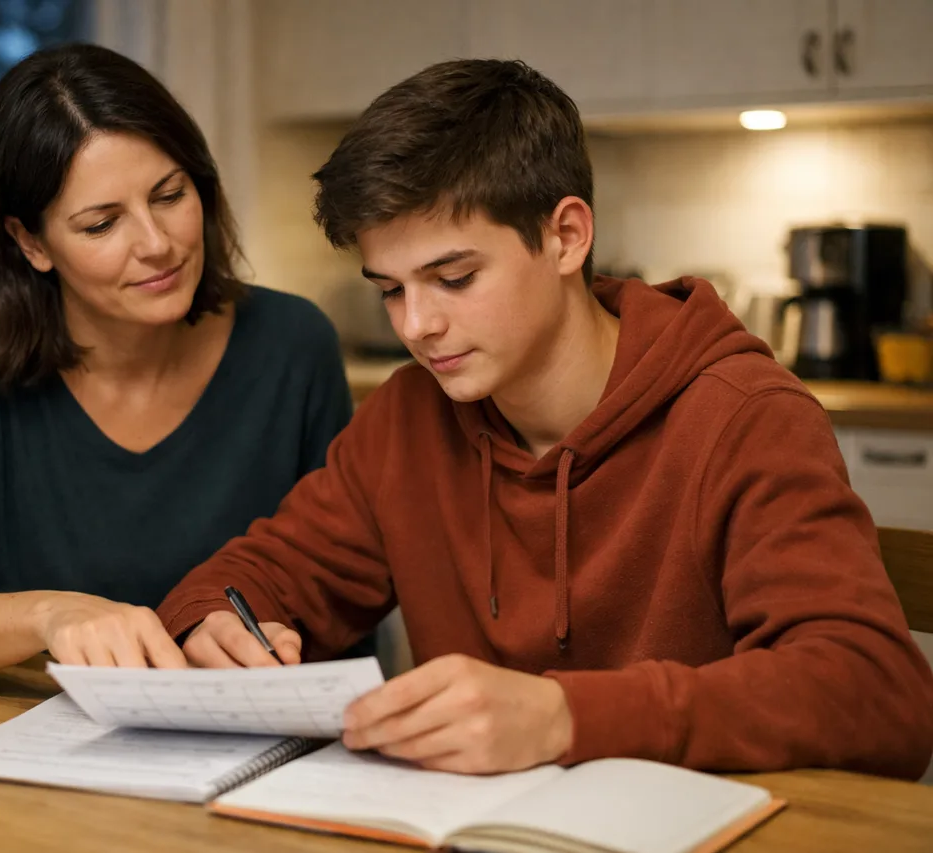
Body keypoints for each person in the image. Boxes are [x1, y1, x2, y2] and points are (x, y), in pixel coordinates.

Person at [145, 59, 933, 780]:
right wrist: (213, 619)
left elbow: (877, 690)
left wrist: (565, 715)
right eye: (390, 289)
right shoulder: (408, 419)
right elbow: (256, 576)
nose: (415, 326)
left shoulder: (744, 418)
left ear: (566, 236)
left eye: (452, 277)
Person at [0, 43, 354, 684]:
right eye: (102, 225)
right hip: (20, 749)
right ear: (29, 241)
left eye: (169, 195)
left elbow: (341, 591)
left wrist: (271, 635)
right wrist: (50, 617)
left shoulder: (293, 343)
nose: (157, 245)